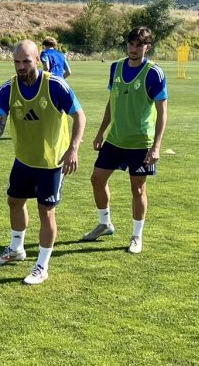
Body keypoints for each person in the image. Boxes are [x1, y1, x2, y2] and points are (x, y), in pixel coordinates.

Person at [0, 40, 86, 285]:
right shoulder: (6, 90)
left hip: (51, 163)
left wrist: (73, 149)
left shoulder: (55, 86)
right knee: (14, 201)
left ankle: (42, 265)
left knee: (46, 211)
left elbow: (80, 116)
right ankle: (16, 249)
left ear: (38, 60)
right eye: (17, 62)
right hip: (24, 160)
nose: (21, 66)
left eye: (26, 61)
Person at [83, 26, 168, 255]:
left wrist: (156, 147)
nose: (133, 49)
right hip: (115, 139)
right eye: (130, 44)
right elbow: (112, 102)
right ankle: (105, 224)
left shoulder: (154, 73)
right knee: (97, 179)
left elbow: (163, 113)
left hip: (140, 142)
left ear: (147, 47)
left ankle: (136, 236)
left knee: (138, 190)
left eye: (139, 45)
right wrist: (101, 131)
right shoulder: (116, 67)